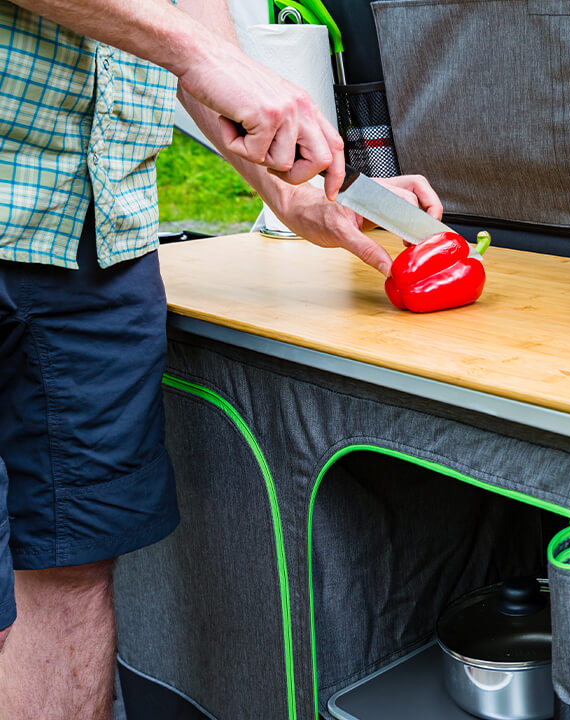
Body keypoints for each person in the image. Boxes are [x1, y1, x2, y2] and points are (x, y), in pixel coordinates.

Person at [0, 0, 442, 716]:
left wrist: (293, 196)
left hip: (101, 238)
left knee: (69, 570)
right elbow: (194, 47)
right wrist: (194, 53)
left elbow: (195, 18)